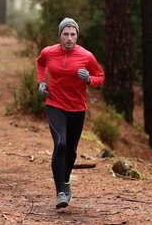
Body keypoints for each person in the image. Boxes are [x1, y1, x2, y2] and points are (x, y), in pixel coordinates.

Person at [36, 17, 105, 208]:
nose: (69, 38)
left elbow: (100, 76)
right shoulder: (48, 52)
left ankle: (66, 179)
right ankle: (61, 193)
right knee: (61, 144)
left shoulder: (86, 56)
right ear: (60, 35)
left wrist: (89, 79)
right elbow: (40, 63)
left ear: (77, 36)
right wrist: (42, 82)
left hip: (77, 108)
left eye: (72, 34)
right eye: (65, 34)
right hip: (55, 105)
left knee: (72, 151)